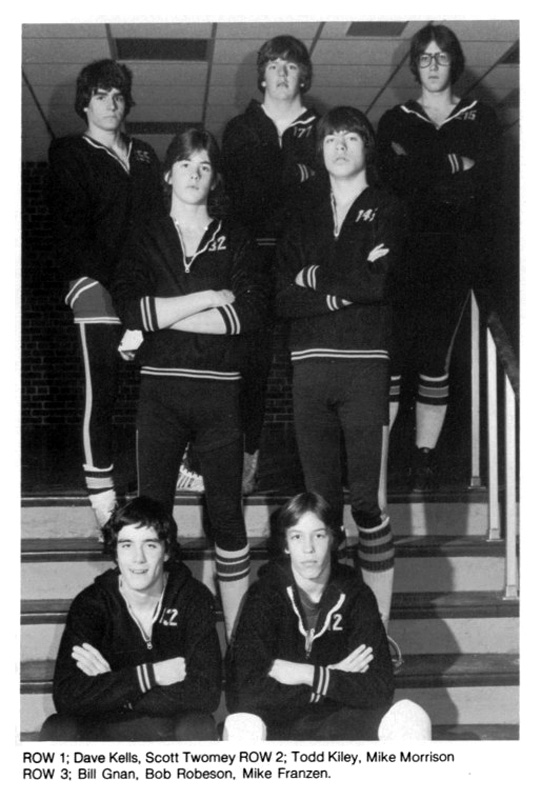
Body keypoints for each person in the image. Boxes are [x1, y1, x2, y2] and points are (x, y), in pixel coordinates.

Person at [112, 127, 268, 639]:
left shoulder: (236, 237)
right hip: (160, 395)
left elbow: (246, 316)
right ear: (168, 174)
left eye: (204, 167)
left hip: (220, 395)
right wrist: (207, 297)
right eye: (185, 164)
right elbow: (132, 309)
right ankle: (162, 638)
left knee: (228, 518)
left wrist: (162, 318)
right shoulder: (145, 235)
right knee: (153, 519)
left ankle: (240, 642)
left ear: (214, 178)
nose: (194, 174)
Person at [275, 106, 406, 633]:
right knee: (322, 512)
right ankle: (330, 627)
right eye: (331, 139)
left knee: (368, 504)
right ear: (320, 150)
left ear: (366, 147)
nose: (341, 146)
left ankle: (378, 630)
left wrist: (315, 278)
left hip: (364, 367)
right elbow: (283, 296)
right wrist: (348, 278)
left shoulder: (388, 207)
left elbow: (380, 283)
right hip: (309, 369)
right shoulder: (302, 213)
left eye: (351, 137)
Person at [377, 24, 501, 491]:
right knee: (391, 359)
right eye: (425, 58)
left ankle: (424, 458)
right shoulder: (395, 118)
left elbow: (487, 181)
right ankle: (382, 458)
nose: (432, 65)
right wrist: (452, 163)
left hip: (454, 256)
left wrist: (418, 164)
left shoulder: (481, 117)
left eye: (441, 57)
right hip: (402, 255)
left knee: (435, 359)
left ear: (454, 64)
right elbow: (392, 178)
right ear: (415, 65)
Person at [48, 59, 165, 528]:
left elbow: (156, 228)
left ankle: (171, 466)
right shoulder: (69, 152)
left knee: (164, 381)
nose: (111, 104)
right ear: (85, 103)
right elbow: (74, 236)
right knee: (104, 391)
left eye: (118, 96)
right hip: (94, 284)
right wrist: (124, 303)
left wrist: (146, 295)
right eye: (101, 96)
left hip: (139, 286)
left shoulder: (144, 155)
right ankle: (102, 498)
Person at [224, 493, 431, 741]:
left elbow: (380, 688)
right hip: (280, 728)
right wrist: (332, 677)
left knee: (410, 715)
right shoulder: (263, 596)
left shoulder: (357, 595)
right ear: (285, 544)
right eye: (297, 536)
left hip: (342, 727)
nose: (308, 548)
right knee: (241, 724)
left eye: (319, 535)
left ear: (333, 538)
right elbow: (244, 694)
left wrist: (309, 674)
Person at [221, 35, 321, 494]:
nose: (282, 73)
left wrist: (275, 174)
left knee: (311, 367)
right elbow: (248, 192)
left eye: (291, 65)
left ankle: (316, 467)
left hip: (306, 261)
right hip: (254, 261)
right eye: (274, 65)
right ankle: (246, 461)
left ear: (303, 76)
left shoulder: (322, 128)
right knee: (252, 367)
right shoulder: (240, 129)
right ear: (261, 75)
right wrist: (298, 174)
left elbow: (325, 193)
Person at [40, 496, 221, 741]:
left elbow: (206, 693)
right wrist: (151, 675)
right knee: (57, 727)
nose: (138, 558)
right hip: (104, 729)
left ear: (166, 551)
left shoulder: (192, 598)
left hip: (168, 729)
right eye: (127, 545)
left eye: (150, 545)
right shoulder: (92, 602)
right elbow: (66, 696)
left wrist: (115, 689)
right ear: (115, 552)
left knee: (198, 725)